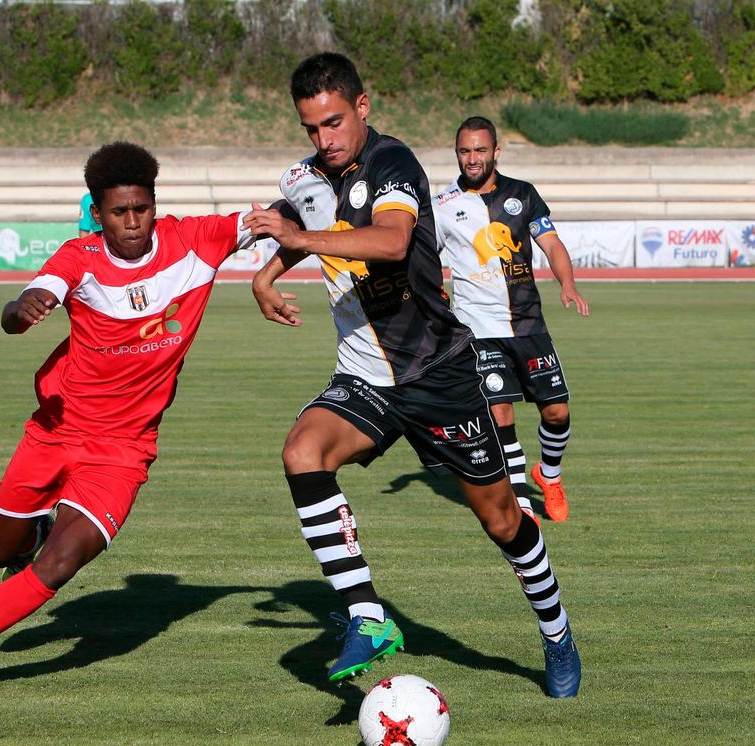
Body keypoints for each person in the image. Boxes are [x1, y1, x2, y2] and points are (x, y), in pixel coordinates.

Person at [243, 53, 581, 698]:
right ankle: (368, 615)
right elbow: (302, 224)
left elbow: (392, 240)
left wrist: (301, 244)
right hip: (366, 377)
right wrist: (265, 275)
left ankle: (557, 630)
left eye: (335, 122)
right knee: (301, 452)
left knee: (503, 520)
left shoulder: (393, 163)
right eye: (312, 128)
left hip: (437, 374)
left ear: (363, 107)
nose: (326, 139)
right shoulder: (307, 175)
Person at [0, 141, 259, 703]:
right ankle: (36, 527)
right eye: (119, 212)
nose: (133, 223)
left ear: (154, 203)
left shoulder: (196, 240)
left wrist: (271, 274)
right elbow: (21, 306)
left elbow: (278, 218)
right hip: (56, 432)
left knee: (59, 562)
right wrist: (24, 310)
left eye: (142, 208)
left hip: (123, 451)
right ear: (97, 210)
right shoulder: (80, 257)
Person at [432, 117, 589, 522]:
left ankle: (549, 476)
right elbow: (424, 256)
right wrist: (434, 290)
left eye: (480, 150)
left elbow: (551, 243)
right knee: (500, 410)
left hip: (527, 322)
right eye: (465, 151)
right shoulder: (443, 206)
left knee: (557, 413)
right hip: (477, 329)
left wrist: (567, 284)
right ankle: (520, 502)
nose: (472, 158)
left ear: (496, 152)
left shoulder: (523, 194)